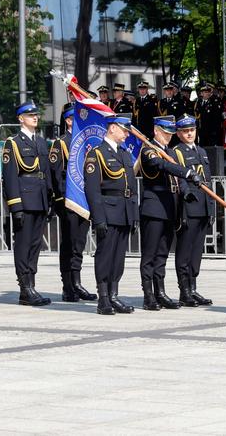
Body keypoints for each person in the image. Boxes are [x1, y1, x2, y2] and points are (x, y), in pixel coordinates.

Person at [138, 115, 202, 311]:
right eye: (165, 133)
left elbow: (173, 171)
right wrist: (187, 172)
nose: (168, 137)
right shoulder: (149, 149)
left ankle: (161, 292)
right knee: (150, 255)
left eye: (170, 134)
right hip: (153, 207)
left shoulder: (168, 152)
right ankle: (148, 295)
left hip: (168, 207)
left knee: (162, 254)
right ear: (157, 131)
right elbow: (162, 166)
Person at [84, 115, 138, 315]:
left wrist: (133, 215)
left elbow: (131, 187)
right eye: (124, 130)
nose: (126, 134)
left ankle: (114, 294)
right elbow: (92, 190)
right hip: (107, 210)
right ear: (113, 128)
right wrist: (98, 218)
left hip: (123, 211)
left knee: (119, 257)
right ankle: (104, 298)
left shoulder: (124, 154)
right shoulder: (96, 154)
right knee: (105, 255)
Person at [2, 101, 53, 306]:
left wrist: (49, 200)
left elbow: (46, 173)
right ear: (20, 118)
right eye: (30, 115)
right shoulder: (13, 143)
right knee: (23, 244)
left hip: (39, 199)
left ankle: (31, 283)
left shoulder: (40, 142)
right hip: (25, 199)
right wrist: (15, 206)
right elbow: (11, 176)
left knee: (35, 245)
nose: (35, 117)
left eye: (36, 115)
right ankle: (24, 286)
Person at [49, 103, 96, 302]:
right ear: (69, 121)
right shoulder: (61, 143)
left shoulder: (88, 141)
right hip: (69, 201)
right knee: (69, 243)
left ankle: (76, 281)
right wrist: (62, 200)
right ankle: (68, 285)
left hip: (85, 199)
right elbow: (55, 174)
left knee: (79, 243)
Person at [173, 114, 214, 307]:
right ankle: (185, 290)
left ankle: (193, 287)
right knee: (185, 251)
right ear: (179, 133)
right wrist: (186, 192)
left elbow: (208, 180)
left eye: (192, 130)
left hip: (203, 205)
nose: (189, 134)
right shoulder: (177, 152)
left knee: (197, 251)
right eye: (185, 131)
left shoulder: (202, 152)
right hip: (189, 206)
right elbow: (178, 178)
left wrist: (211, 207)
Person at [194, 82, 223, 147]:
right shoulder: (198, 102)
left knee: (211, 149)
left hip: (211, 130)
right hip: (202, 130)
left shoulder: (214, 102)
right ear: (201, 93)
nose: (207, 93)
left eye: (208, 92)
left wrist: (215, 130)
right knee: (202, 147)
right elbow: (197, 115)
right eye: (205, 92)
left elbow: (217, 116)